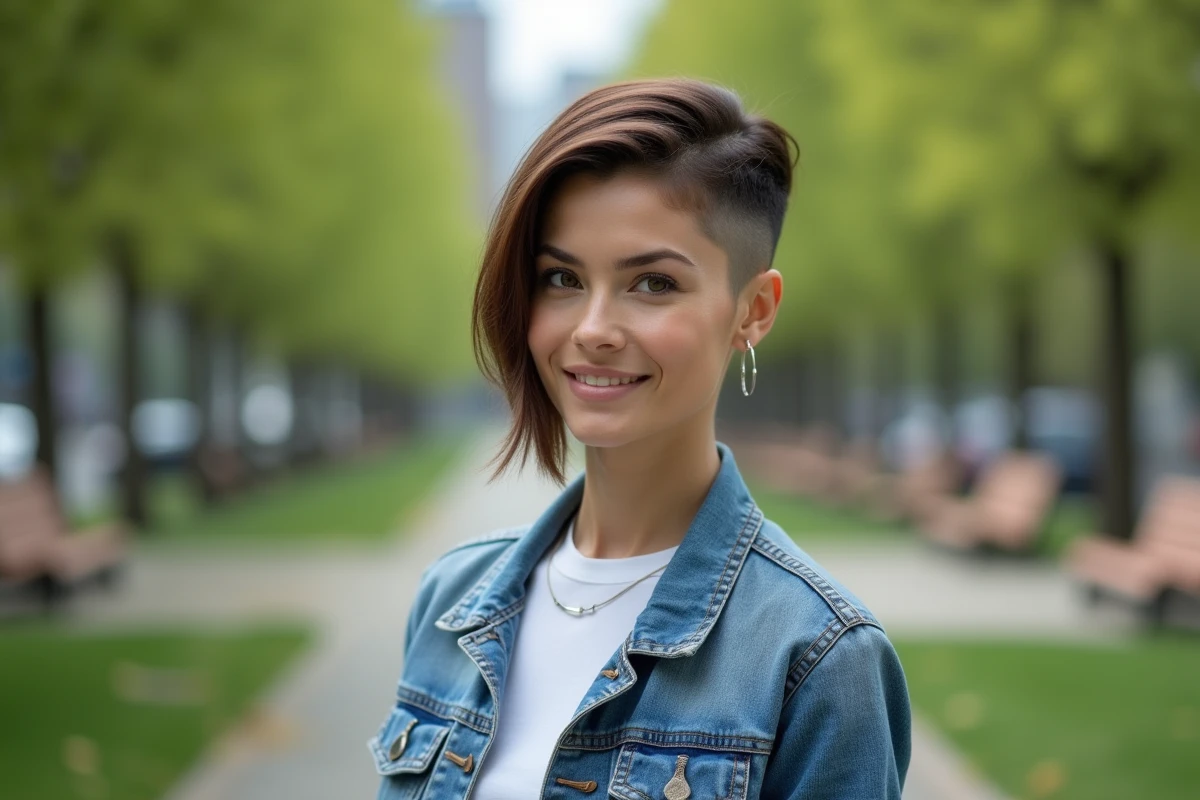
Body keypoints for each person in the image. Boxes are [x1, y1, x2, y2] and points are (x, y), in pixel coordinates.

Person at [368, 77, 911, 800]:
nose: (592, 329)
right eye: (560, 277)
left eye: (652, 284)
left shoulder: (817, 658)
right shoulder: (452, 599)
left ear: (753, 310)